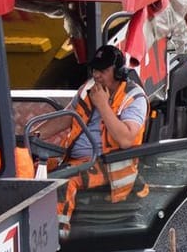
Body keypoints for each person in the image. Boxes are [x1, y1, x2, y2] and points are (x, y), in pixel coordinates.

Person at [51, 44, 149, 226]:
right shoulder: (88, 89)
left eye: (103, 70)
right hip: (75, 160)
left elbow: (126, 140)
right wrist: (33, 136)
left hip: (109, 165)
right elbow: (65, 117)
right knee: (31, 172)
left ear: (118, 72)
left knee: (62, 183)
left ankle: (58, 239)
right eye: (95, 69)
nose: (96, 74)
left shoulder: (133, 98)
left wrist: (103, 105)